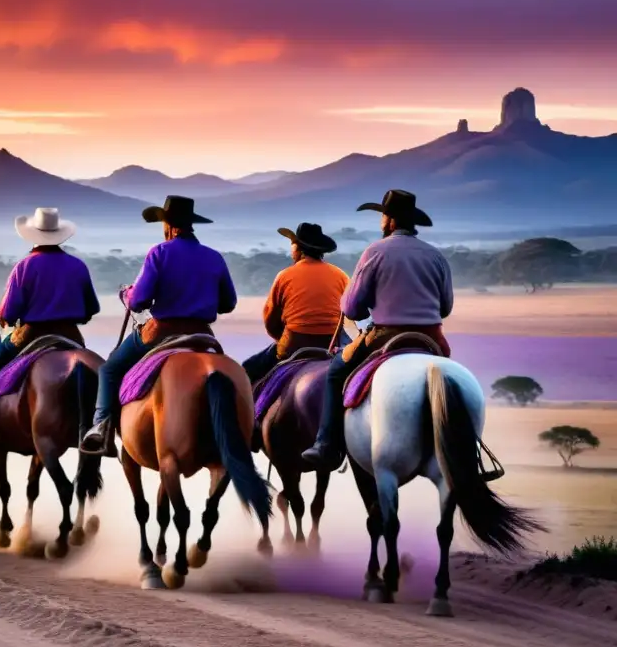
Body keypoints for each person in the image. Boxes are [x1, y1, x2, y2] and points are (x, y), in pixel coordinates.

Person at [301, 190, 453, 471]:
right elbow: (445, 307)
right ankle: (473, 451)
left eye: (383, 215)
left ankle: (325, 445)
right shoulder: (436, 256)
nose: (382, 221)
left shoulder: (374, 252)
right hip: (432, 339)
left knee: (335, 372)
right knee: (452, 385)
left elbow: (352, 308)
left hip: (384, 336)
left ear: (391, 221)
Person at [80, 196, 237, 456]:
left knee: (109, 369)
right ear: (190, 225)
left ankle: (101, 427)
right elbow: (228, 303)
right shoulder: (214, 257)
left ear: (170, 226)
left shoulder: (159, 253)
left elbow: (139, 300)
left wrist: (126, 294)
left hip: (162, 332)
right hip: (202, 335)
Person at [0, 208, 100, 452]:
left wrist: (6, 316)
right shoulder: (78, 266)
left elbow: (8, 313)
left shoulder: (24, 267)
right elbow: (90, 309)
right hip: (71, 335)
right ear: (60, 236)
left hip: (31, 334)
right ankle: (102, 428)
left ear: (33, 236)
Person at [242, 223, 348, 385]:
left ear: (299, 249)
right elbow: (348, 311)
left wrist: (281, 337)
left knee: (248, 369)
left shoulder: (284, 276)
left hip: (294, 344)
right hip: (331, 343)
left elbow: (271, 321)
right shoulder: (341, 275)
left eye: (292, 244)